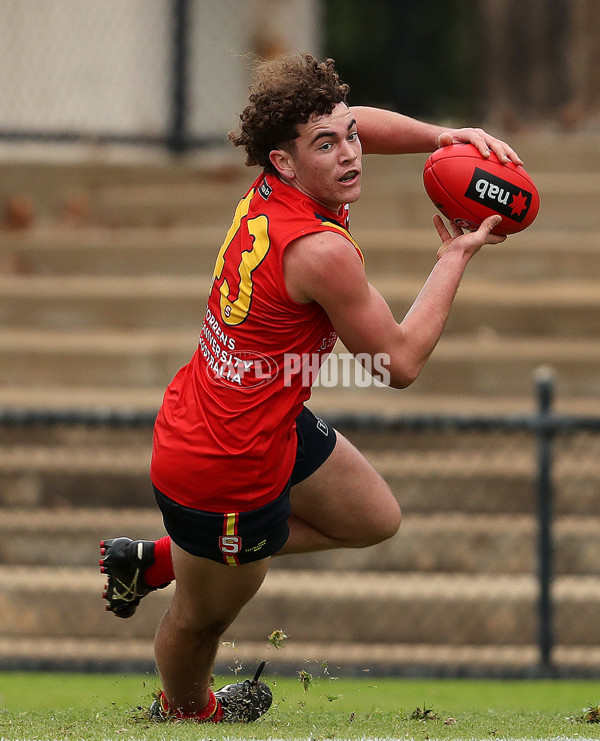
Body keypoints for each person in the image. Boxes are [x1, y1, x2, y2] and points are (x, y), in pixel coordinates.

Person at [99, 52, 518, 724]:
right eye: (328, 144)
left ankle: (156, 558)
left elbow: (355, 128)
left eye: (349, 134)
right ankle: (185, 712)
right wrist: (452, 258)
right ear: (286, 161)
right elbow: (398, 364)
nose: (351, 152)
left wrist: (445, 138)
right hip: (225, 464)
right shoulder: (320, 251)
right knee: (200, 623)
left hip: (253, 411)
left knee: (374, 516)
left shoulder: (280, 185)